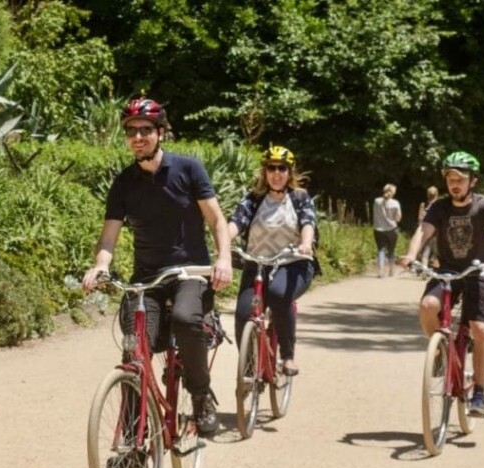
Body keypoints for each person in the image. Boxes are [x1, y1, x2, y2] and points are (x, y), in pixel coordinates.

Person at [82, 96, 232, 436]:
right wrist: (100, 266)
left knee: (184, 319)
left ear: (160, 132)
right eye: (131, 131)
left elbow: (217, 220)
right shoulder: (123, 183)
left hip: (189, 273)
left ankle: (200, 395)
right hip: (146, 279)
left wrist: (223, 259)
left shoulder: (188, 169)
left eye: (145, 130)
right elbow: (108, 240)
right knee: (134, 349)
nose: (137, 137)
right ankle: (135, 436)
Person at [400, 151, 484, 418]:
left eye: (460, 178)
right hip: (447, 270)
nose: (455, 184)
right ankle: (441, 354)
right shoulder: (440, 207)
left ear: (473, 181)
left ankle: (479, 392)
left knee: (480, 330)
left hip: (479, 270)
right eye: (450, 179)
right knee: (427, 306)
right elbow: (423, 231)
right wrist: (411, 255)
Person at [228, 145, 318, 377]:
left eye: (282, 168)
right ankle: (249, 367)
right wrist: (224, 239)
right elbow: (237, 221)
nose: (276, 173)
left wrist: (305, 243)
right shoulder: (254, 198)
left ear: (290, 172)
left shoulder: (299, 198)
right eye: (271, 168)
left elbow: (308, 223)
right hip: (257, 263)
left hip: (293, 263)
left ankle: (287, 356)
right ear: (264, 172)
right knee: (243, 314)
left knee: (279, 295)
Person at [372, 183, 402, 277]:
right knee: (391, 251)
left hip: (379, 229)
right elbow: (398, 218)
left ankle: (381, 271)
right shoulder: (395, 203)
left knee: (381, 250)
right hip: (391, 229)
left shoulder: (376, 201)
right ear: (393, 193)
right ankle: (391, 270)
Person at [418, 186, 440, 266]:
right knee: (438, 253)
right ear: (437, 194)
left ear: (427, 194)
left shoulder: (423, 205)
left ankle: (424, 270)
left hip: (426, 231)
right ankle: (433, 263)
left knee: (425, 252)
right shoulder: (439, 205)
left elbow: (420, 218)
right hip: (437, 232)